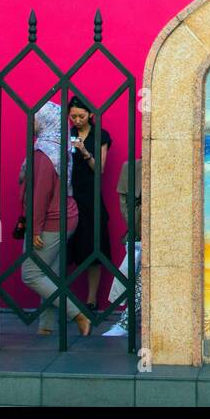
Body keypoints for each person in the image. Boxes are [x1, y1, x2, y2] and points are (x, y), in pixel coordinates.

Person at [19, 103, 89, 336]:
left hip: (51, 220)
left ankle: (77, 313)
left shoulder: (44, 153)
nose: (31, 123)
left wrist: (36, 229)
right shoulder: (61, 147)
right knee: (50, 273)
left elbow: (41, 193)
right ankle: (47, 326)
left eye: (35, 119)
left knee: (31, 273)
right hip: (67, 216)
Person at [66, 96, 113, 311]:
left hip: (90, 198)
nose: (76, 120)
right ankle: (62, 297)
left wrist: (84, 151)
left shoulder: (100, 136)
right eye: (73, 116)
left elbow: (99, 170)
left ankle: (91, 299)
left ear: (90, 115)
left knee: (94, 246)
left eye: (81, 116)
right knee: (67, 247)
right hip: (68, 196)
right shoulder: (66, 135)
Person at [104, 158, 141, 339]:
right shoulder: (131, 168)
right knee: (139, 276)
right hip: (141, 233)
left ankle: (127, 321)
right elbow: (124, 202)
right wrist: (135, 225)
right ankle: (127, 321)